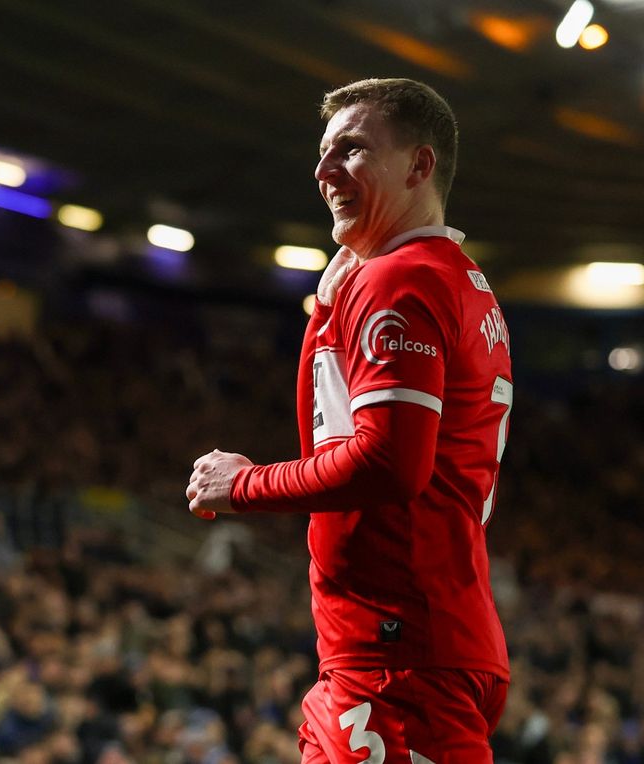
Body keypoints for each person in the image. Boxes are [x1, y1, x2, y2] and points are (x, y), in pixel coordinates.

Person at [185, 78, 513, 763]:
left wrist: (243, 484)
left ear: (419, 165)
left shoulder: (400, 278)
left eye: (352, 149)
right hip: (397, 644)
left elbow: (390, 463)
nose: (323, 171)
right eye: (323, 153)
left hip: (399, 655)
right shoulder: (452, 278)